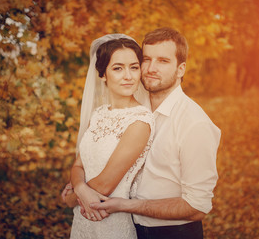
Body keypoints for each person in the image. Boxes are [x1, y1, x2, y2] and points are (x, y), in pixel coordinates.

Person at [88, 27, 221, 239]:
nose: (151, 68)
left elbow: (197, 206)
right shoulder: (133, 109)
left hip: (172, 233)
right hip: (126, 229)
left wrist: (128, 205)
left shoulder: (195, 124)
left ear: (181, 69)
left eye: (163, 61)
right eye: (146, 59)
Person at [62, 34, 155, 239]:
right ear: (102, 74)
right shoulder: (98, 114)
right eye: (118, 68)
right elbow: (78, 165)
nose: (128, 76)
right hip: (83, 219)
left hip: (111, 223)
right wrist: (78, 186)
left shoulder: (140, 121)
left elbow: (106, 185)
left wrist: (71, 197)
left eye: (134, 67)